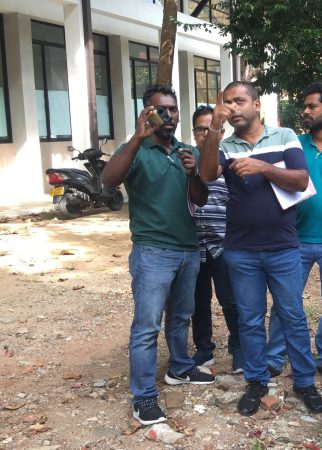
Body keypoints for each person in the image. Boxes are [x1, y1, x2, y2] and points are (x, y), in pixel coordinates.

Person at [199, 81, 322, 417]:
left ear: (256, 105)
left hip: (283, 247)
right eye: (227, 102)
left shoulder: (284, 136)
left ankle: (304, 381)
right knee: (250, 319)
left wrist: (263, 167)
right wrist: (214, 129)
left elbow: (301, 179)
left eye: (239, 101)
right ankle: (256, 380)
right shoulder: (226, 145)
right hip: (241, 249)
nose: (233, 107)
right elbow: (207, 174)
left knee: (292, 316)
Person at [102, 84, 215, 426]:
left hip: (187, 249)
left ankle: (179, 368)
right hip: (152, 251)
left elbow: (201, 199)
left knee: (181, 316)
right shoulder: (135, 149)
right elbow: (109, 180)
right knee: (147, 327)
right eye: (160, 109)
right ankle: (144, 397)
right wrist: (137, 139)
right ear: (147, 112)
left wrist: (193, 173)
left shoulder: (186, 150)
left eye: (173, 109)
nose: (169, 115)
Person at [266, 82, 322, 385]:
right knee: (285, 299)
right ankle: (275, 356)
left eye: (311, 106)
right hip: (295, 238)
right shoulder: (294, 145)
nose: (305, 111)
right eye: (304, 106)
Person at [189, 105, 244, 373]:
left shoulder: (230, 162)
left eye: (212, 128)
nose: (206, 134)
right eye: (201, 129)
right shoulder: (186, 161)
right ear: (194, 132)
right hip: (193, 247)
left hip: (223, 246)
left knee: (231, 301)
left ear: (221, 132)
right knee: (198, 303)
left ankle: (239, 348)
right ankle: (203, 350)